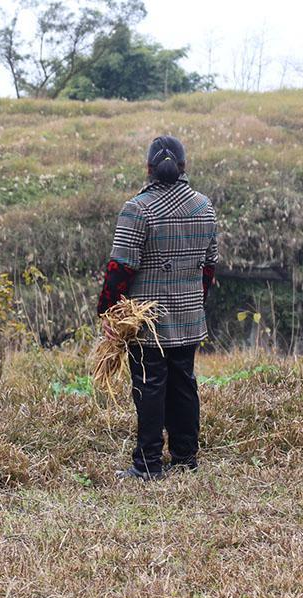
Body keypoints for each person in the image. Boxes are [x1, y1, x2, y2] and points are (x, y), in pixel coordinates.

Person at [97, 136, 219, 481]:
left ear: (148, 169)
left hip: (147, 319)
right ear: (184, 167)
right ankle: (185, 456)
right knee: (184, 382)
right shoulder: (203, 207)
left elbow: (120, 267)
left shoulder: (138, 208)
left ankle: (148, 463)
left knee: (149, 386)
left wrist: (108, 313)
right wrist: (196, 302)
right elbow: (209, 266)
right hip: (189, 315)